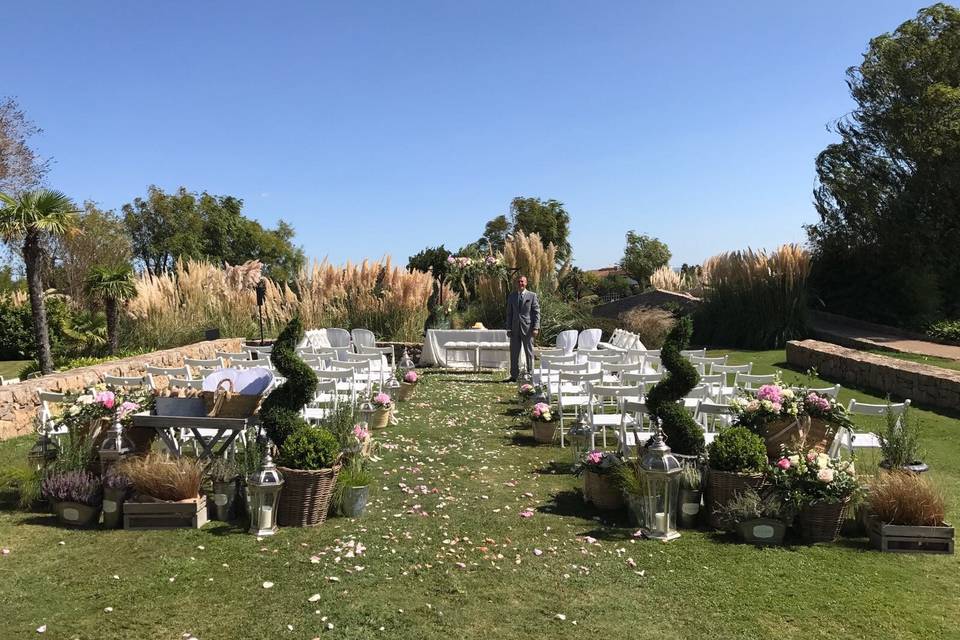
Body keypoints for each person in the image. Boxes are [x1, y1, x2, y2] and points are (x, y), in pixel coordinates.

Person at [505, 274, 540, 382]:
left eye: (522, 282)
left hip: (528, 328)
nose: (520, 283)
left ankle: (530, 374)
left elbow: (536, 312)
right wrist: (509, 328)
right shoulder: (512, 296)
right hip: (514, 329)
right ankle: (514, 376)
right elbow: (509, 313)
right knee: (514, 353)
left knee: (529, 352)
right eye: (519, 282)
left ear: (526, 283)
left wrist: (536, 327)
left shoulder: (532, 295)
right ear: (516, 283)